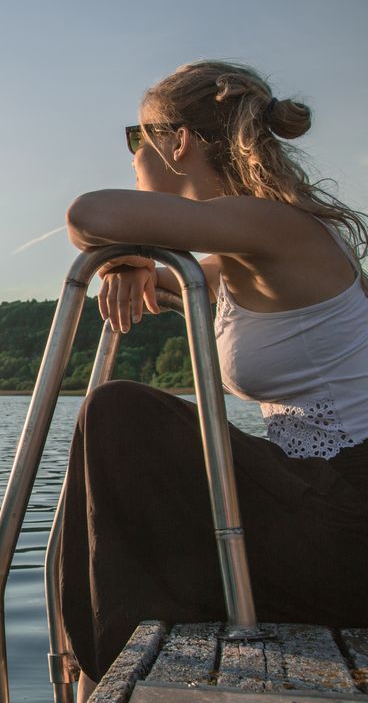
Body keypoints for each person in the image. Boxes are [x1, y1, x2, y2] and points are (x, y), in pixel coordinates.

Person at [59, 60, 368, 702]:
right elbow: (170, 273)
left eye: (136, 136)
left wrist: (129, 242)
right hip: (316, 500)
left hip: (349, 515)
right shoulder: (236, 257)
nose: (134, 154)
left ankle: (99, 666)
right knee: (133, 430)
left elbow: (88, 213)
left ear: (179, 142)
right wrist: (132, 258)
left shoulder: (274, 225)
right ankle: (101, 648)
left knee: (119, 412)